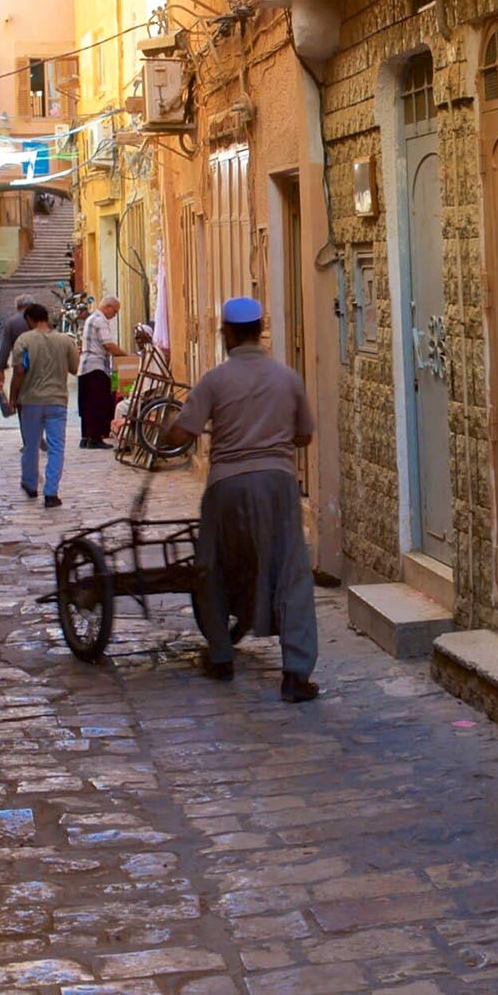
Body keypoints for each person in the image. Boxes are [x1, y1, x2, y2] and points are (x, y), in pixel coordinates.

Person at [163, 297, 320, 703]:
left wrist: (168, 429)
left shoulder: (215, 380)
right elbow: (304, 435)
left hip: (227, 486)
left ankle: (220, 655)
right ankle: (296, 674)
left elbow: (182, 434)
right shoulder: (288, 378)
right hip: (279, 484)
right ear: (260, 329)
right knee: (291, 571)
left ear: (228, 333)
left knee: (211, 568)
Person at [8, 302, 77, 507]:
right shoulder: (65, 341)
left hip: (31, 401)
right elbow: (74, 368)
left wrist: (13, 396)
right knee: (56, 448)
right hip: (57, 401)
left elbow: (19, 372)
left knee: (31, 445)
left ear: (29, 320)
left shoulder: (24, 340)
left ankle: (30, 485)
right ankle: (51, 492)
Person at [78, 295, 125, 448]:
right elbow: (108, 345)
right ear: (108, 307)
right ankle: (95, 438)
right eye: (115, 311)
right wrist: (125, 355)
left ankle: (86, 437)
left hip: (85, 367)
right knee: (98, 403)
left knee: (86, 404)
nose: (114, 315)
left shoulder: (91, 319)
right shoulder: (101, 320)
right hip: (96, 366)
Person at [0, 291, 35, 416]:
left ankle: (27, 431)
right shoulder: (39, 320)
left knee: (20, 401)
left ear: (18, 307)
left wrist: (0, 369)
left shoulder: (12, 323)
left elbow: (5, 349)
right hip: (40, 366)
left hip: (20, 367)